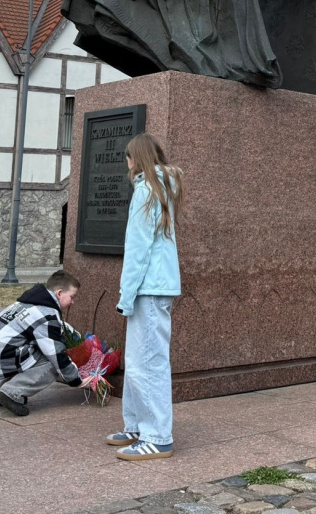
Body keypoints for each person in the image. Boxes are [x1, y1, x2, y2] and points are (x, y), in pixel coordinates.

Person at [107, 133, 183, 461]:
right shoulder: (162, 187)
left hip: (148, 288)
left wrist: (126, 296)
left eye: (128, 156)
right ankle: (138, 426)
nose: (126, 162)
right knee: (140, 362)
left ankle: (157, 437)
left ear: (135, 158)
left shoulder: (146, 190)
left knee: (147, 364)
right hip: (154, 287)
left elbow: (137, 250)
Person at [0, 270, 83, 416]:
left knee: (33, 352)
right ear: (59, 293)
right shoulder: (46, 314)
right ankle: (11, 393)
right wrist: (76, 379)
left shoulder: (32, 301)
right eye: (72, 297)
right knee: (51, 361)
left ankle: (2, 392)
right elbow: (55, 354)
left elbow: (58, 328)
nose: (73, 302)